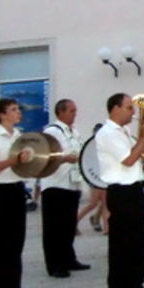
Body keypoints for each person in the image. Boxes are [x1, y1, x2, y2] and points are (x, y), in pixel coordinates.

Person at [96, 93, 144, 288]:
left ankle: (135, 283)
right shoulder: (108, 133)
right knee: (123, 243)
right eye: (129, 107)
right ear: (115, 109)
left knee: (138, 241)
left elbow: (140, 156)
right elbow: (128, 160)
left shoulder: (124, 131)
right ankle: (121, 287)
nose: (133, 112)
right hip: (121, 192)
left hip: (133, 189)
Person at [0, 99, 35, 288]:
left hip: (16, 190)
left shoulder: (18, 136)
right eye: (13, 109)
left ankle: (13, 286)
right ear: (2, 115)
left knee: (15, 242)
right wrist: (14, 160)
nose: (18, 112)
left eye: (18, 108)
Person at [41, 99, 91, 278]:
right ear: (60, 112)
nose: (74, 114)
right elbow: (45, 153)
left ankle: (69, 258)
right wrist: (64, 157)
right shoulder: (52, 131)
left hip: (72, 182)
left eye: (75, 111)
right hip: (56, 183)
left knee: (68, 225)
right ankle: (54, 265)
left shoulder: (74, 132)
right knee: (54, 227)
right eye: (71, 111)